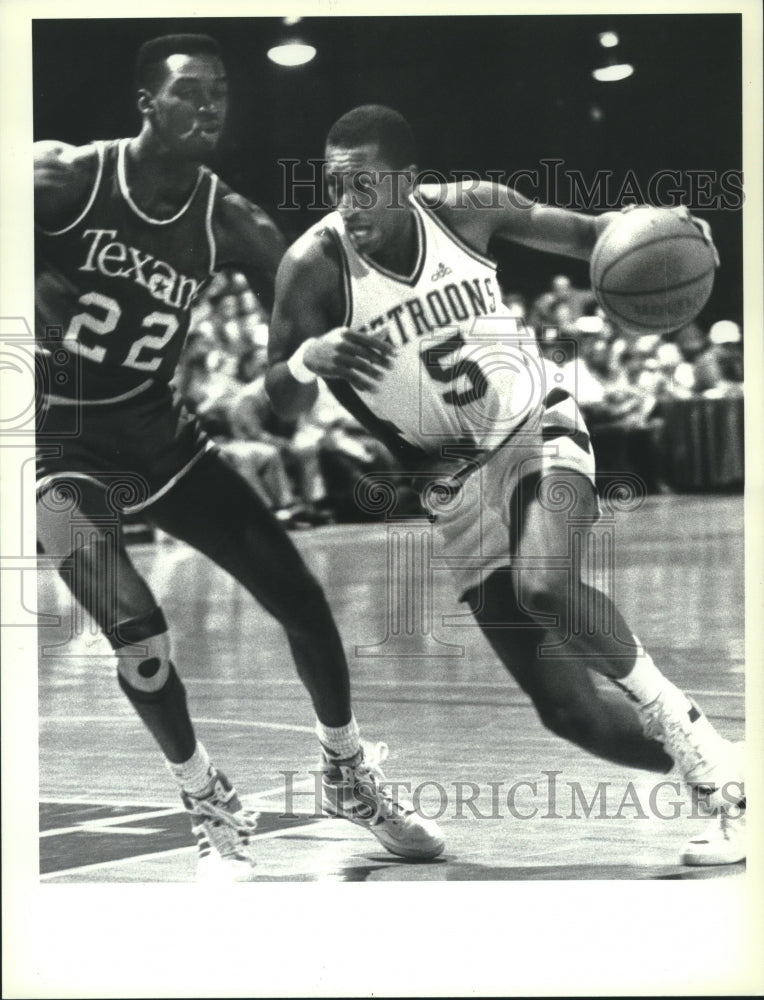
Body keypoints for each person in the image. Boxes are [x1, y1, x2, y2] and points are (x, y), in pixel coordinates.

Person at [265, 104, 745, 866]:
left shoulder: (469, 210)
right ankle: (732, 785)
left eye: (366, 187)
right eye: (336, 188)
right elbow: (278, 406)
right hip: (451, 483)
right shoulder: (313, 268)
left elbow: (592, 235)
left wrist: (664, 223)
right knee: (570, 713)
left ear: (409, 184)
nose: (349, 206)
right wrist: (303, 362)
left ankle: (709, 751)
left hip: (532, 421)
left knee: (545, 585)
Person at [34, 44, 444, 882]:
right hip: (57, 451)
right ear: (146, 101)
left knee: (303, 601)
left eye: (221, 95)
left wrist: (357, 352)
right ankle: (207, 803)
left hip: (162, 438)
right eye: (191, 93)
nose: (212, 107)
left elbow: (312, 304)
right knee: (140, 639)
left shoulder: (233, 220)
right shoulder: (63, 179)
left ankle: (346, 773)